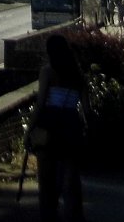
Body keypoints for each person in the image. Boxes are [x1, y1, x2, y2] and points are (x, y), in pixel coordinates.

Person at [34, 35, 88, 222]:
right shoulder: (77, 75)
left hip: (51, 124)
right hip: (72, 125)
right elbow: (86, 109)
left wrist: (31, 128)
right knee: (71, 178)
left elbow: (40, 104)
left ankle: (49, 215)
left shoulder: (48, 72)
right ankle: (74, 215)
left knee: (47, 178)